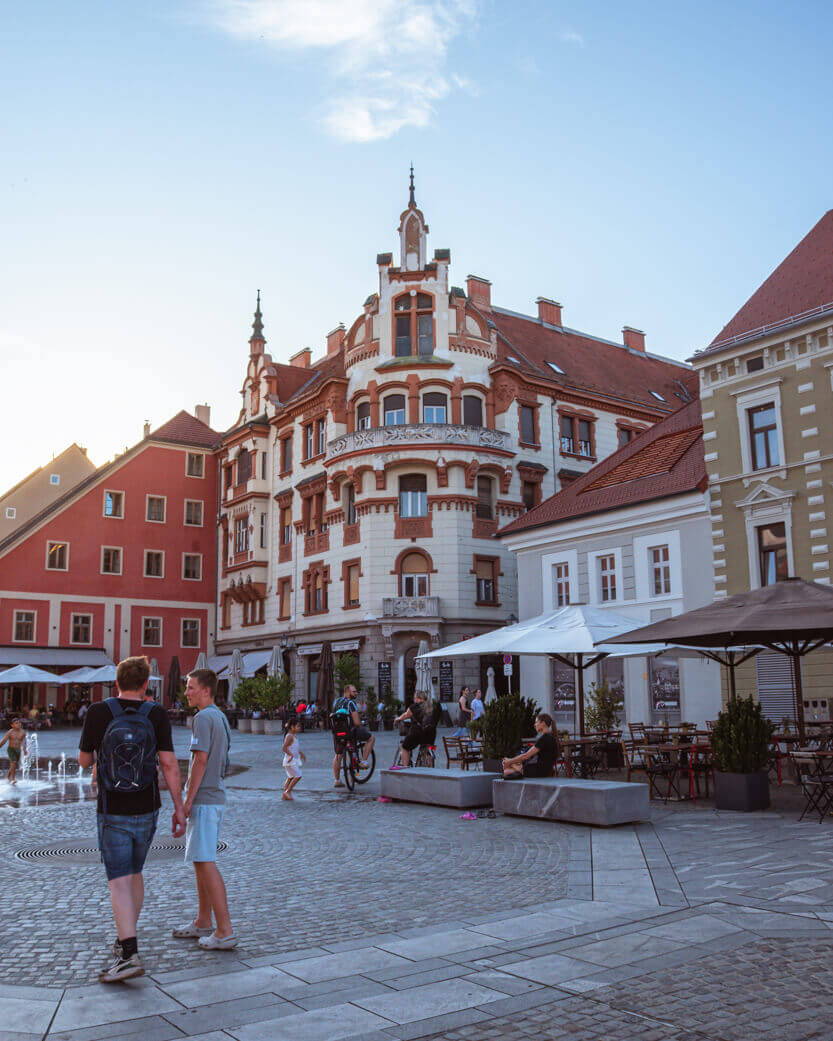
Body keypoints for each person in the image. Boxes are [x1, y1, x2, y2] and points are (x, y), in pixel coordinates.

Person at [78, 655, 185, 983]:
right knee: (135, 873)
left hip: (113, 809)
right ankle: (126, 939)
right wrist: (179, 808)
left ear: (117, 682)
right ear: (144, 685)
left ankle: (128, 953)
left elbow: (83, 761)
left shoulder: (98, 712)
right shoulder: (156, 713)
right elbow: (169, 764)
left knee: (119, 880)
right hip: (148, 807)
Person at [174, 668, 237, 950]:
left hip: (205, 798)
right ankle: (203, 921)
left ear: (206, 690)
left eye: (190, 687)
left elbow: (200, 760)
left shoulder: (201, 718)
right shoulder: (220, 717)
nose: (186, 692)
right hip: (216, 795)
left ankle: (225, 930)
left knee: (206, 862)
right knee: (201, 860)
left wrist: (187, 800)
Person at [331, 684, 375, 788]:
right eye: (354, 692)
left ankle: (337, 780)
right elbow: (356, 721)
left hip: (337, 732)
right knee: (371, 738)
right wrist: (361, 724)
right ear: (347, 692)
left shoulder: (336, 702)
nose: (356, 693)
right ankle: (363, 761)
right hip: (350, 732)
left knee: (338, 755)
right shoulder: (351, 703)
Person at [502, 713, 559, 779]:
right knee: (509, 766)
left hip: (539, 771)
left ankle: (518, 769)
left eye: (536, 722)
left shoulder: (544, 738)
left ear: (543, 723)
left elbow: (526, 756)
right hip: (545, 770)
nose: (535, 725)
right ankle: (518, 769)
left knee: (506, 770)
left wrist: (509, 761)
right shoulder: (550, 737)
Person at [393, 692, 441, 767]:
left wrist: (397, 719)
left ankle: (406, 768)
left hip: (417, 733)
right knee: (430, 748)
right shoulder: (433, 706)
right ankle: (431, 767)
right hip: (431, 734)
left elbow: (405, 715)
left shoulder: (414, 706)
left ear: (416, 698)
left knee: (405, 747)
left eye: (414, 698)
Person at [282, 718, 305, 800]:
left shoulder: (294, 736)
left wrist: (301, 754)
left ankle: (285, 793)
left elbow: (294, 747)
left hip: (292, 760)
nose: (299, 728)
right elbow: (284, 747)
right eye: (298, 726)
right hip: (289, 761)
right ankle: (287, 791)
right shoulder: (289, 736)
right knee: (298, 775)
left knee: (291, 777)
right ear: (292, 727)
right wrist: (290, 755)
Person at [0, 719, 27, 784]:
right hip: (11, 749)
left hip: (18, 750)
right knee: (13, 763)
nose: (18, 724)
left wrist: (24, 749)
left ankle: (8, 776)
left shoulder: (23, 732)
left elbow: (24, 741)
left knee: (13, 764)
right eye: (16, 723)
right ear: (12, 725)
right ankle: (13, 779)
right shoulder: (10, 732)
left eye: (19, 723)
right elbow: (4, 740)